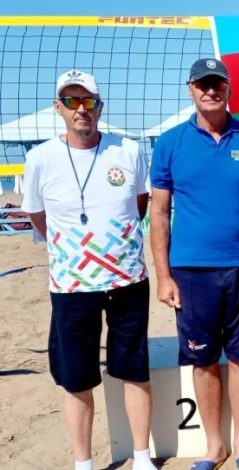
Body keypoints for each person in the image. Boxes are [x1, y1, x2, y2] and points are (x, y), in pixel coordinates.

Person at [21, 70, 156, 470]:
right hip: (71, 285)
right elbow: (37, 218)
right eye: (72, 101)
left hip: (127, 279)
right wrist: (73, 250)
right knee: (77, 378)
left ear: (100, 106)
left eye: (88, 101)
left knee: (134, 369)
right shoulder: (40, 158)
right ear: (58, 107)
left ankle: (142, 457)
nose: (81, 109)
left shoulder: (128, 150)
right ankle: (84, 463)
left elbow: (141, 204)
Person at [150, 58, 239, 470]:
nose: (210, 91)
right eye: (202, 84)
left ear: (228, 89)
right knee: (202, 360)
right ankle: (214, 447)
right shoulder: (169, 143)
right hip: (190, 271)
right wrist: (163, 276)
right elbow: (159, 214)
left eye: (217, 84)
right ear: (191, 89)